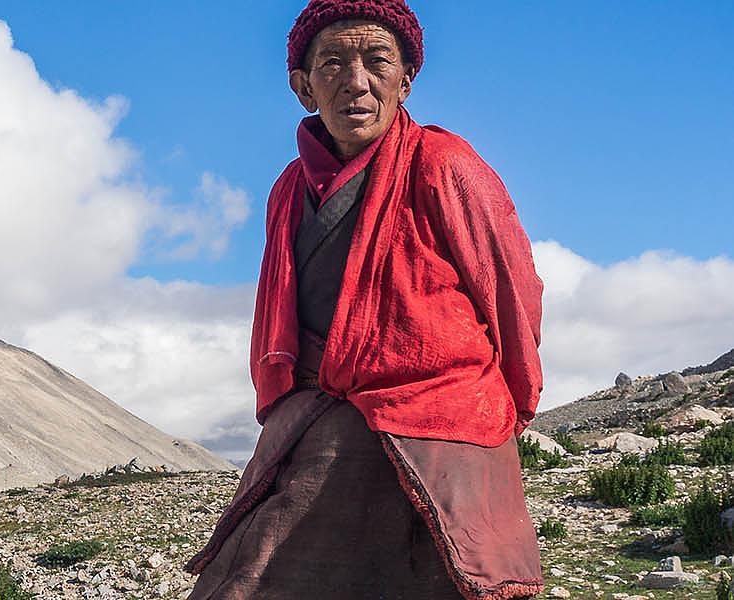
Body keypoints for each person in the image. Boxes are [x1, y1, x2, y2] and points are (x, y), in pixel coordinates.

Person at [185, 1, 546, 599]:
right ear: (303, 88)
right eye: (333, 63)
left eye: (377, 61)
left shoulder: (444, 165)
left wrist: (503, 405)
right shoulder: (288, 190)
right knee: (252, 567)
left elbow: (509, 288)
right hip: (325, 401)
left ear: (405, 81)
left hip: (444, 407)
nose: (356, 81)